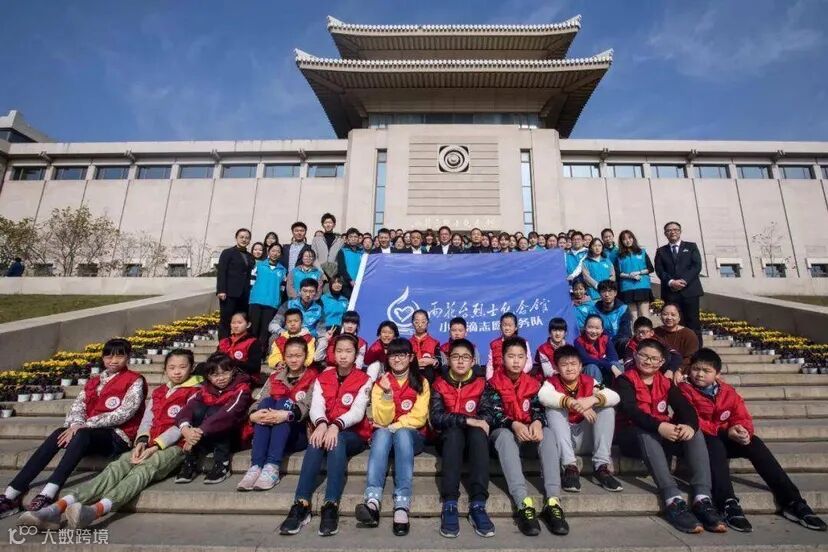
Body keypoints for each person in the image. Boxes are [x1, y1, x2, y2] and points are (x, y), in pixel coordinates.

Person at [18, 350, 202, 529]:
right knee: (117, 466)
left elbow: (182, 425)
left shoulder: (197, 392)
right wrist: (141, 442)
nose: (177, 372)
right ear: (165, 369)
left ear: (192, 367)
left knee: (144, 469)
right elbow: (147, 420)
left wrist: (155, 447)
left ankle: (96, 510)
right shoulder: (160, 391)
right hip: (148, 443)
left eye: (182, 367)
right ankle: (56, 508)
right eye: (172, 367)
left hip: (175, 447)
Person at [680, 348, 826, 532]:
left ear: (717, 374)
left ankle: (792, 501)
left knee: (754, 442)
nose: (700, 374)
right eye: (696, 369)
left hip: (726, 436)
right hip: (701, 440)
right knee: (714, 444)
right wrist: (723, 431)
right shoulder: (684, 390)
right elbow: (691, 419)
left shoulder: (728, 392)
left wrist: (742, 430)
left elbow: (741, 416)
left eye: (706, 370)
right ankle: (727, 502)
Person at [0, 338, 147, 517]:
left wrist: (84, 425)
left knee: (82, 434)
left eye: (119, 356)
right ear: (102, 358)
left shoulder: (134, 380)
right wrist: (76, 424)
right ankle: (12, 493)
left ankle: (49, 492)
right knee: (58, 433)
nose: (113, 360)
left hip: (117, 437)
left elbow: (125, 413)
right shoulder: (94, 381)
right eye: (108, 356)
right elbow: (78, 406)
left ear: (128, 357)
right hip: (87, 434)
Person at [615, 339, 725, 534]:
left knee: (693, 431)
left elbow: (686, 408)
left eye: (654, 358)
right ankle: (673, 499)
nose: (648, 361)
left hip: (661, 435)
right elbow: (632, 411)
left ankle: (702, 497)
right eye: (644, 356)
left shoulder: (665, 382)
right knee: (645, 430)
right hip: (633, 437)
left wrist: (690, 426)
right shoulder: (625, 380)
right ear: (635, 356)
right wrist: (659, 426)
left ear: (661, 362)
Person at [279, 334, 372, 537]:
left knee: (336, 440)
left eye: (348, 351)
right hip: (326, 428)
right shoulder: (323, 378)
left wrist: (336, 425)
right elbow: (316, 406)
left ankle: (331, 504)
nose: (343, 355)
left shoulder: (364, 379)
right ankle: (301, 504)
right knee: (315, 441)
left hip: (353, 434)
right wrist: (321, 424)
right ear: (333, 353)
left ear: (355, 354)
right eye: (339, 351)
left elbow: (357, 412)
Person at [485, 337, 567, 536]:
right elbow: (491, 413)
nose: (516, 361)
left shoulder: (534, 384)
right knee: (505, 436)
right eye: (511, 356)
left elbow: (538, 408)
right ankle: (523, 503)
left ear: (526, 359)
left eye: (520, 356)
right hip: (504, 437)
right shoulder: (492, 383)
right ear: (502, 358)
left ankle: (553, 501)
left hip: (528, 436)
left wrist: (537, 422)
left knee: (548, 433)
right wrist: (512, 423)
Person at [355, 339, 430, 536]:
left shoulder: (421, 382)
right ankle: (372, 501)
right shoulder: (381, 383)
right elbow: (381, 419)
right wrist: (387, 393)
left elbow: (419, 417)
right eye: (393, 355)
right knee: (380, 433)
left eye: (402, 355)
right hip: (386, 438)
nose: (397, 359)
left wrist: (394, 426)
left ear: (411, 357)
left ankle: (402, 504)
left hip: (412, 438)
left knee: (401, 433)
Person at [429, 339, 494, 538]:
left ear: (473, 361)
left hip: (474, 442)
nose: (460, 361)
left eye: (465, 357)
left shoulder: (481, 384)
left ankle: (478, 504)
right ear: (449, 360)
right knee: (455, 433)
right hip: (448, 441)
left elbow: (488, 414)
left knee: (478, 433)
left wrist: (474, 423)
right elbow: (436, 417)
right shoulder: (439, 384)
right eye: (455, 356)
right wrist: (466, 420)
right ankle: (450, 503)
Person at [540, 345, 622, 497]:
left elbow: (614, 396)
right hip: (563, 442)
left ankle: (601, 467)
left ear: (580, 366)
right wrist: (575, 404)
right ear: (556, 368)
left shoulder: (590, 381)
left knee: (607, 408)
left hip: (586, 439)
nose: (569, 368)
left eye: (573, 364)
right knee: (553, 409)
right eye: (564, 365)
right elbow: (544, 396)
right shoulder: (551, 383)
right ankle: (570, 467)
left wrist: (592, 400)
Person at [238, 337, 317, 492]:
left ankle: (272, 466)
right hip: (270, 427)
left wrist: (286, 415)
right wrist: (253, 414)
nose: (293, 360)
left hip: (297, 431)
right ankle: (256, 466)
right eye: (289, 356)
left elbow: (307, 405)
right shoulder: (275, 376)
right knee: (266, 403)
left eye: (298, 356)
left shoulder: (313, 377)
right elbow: (260, 398)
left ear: (306, 356)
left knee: (283, 403)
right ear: (284, 356)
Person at [174, 353, 252, 485]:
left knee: (216, 411)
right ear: (208, 376)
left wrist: (199, 431)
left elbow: (229, 414)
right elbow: (188, 408)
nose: (220, 378)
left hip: (234, 437)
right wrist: (185, 429)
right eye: (215, 375)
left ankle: (222, 463)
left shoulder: (242, 388)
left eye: (225, 373)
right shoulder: (205, 389)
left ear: (233, 371)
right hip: (205, 435)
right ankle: (191, 460)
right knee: (198, 409)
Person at [654, 221, 704, 346]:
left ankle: (697, 350)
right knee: (673, 324)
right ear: (665, 233)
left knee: (693, 322)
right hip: (671, 293)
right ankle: (677, 351)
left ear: (680, 231)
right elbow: (659, 270)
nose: (672, 232)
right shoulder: (661, 251)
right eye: (669, 230)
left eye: (675, 229)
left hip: (690, 291)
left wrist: (684, 281)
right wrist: (671, 282)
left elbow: (696, 266)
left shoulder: (691, 247)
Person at [248, 243, 287, 353]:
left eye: (278, 251)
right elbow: (251, 283)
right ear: (269, 252)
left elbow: (282, 288)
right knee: (253, 328)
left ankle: (261, 353)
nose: (275, 253)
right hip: (256, 301)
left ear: (281, 254)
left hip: (272, 303)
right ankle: (250, 351)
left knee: (265, 330)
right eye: (273, 251)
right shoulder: (259, 265)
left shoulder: (283, 270)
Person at [216, 228, 254, 339]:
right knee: (226, 321)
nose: (244, 240)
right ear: (236, 238)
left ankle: (238, 343)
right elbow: (222, 272)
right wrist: (221, 290)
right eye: (241, 237)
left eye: (247, 238)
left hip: (244, 295)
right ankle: (223, 345)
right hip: (229, 293)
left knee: (241, 321)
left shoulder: (250, 256)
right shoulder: (228, 253)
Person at [615, 229, 654, 320]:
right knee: (633, 317)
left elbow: (650, 268)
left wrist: (638, 272)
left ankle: (646, 330)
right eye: (624, 239)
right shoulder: (619, 256)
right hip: (627, 287)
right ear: (621, 241)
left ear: (633, 238)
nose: (627, 240)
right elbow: (618, 273)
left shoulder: (642, 252)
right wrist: (630, 276)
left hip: (642, 286)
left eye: (629, 237)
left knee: (644, 315)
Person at [573, 315, 622, 384]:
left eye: (597, 328)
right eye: (590, 327)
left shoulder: (605, 339)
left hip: (604, 368)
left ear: (602, 330)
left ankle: (619, 387)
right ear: (584, 328)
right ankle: (596, 389)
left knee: (616, 364)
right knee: (592, 367)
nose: (593, 331)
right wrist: (610, 366)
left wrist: (611, 365)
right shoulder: (578, 341)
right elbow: (586, 359)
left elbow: (613, 357)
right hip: (589, 370)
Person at [216, 312, 262, 384]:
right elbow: (215, 359)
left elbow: (254, 366)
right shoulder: (224, 341)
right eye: (233, 323)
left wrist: (232, 363)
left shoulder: (253, 342)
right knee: (202, 367)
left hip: (244, 375)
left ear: (248, 325)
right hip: (224, 373)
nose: (236, 326)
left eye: (239, 323)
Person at [654, 303, 700, 375]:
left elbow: (691, 357)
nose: (669, 317)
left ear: (679, 317)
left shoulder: (689, 334)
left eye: (673, 315)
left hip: (682, 372)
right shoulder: (655, 332)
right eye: (665, 314)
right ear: (661, 316)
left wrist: (679, 370)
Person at [486, 312, 532, 379]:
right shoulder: (494, 344)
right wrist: (490, 380)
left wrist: (515, 375)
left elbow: (529, 364)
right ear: (500, 327)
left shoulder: (523, 342)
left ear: (516, 327)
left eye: (510, 325)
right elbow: (490, 366)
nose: (507, 328)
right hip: (499, 380)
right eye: (504, 325)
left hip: (519, 379)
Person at [593, 279, 632, 352]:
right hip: (601, 343)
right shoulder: (594, 309)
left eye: (610, 291)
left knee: (625, 341)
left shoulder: (623, 309)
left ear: (615, 293)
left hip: (618, 343)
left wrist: (611, 345)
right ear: (599, 293)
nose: (607, 295)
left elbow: (625, 332)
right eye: (603, 291)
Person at [312, 213, 344, 279]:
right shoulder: (316, 240)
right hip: (319, 272)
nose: (328, 225)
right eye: (326, 223)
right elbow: (314, 257)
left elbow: (340, 259)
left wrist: (335, 271)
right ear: (322, 225)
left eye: (330, 222)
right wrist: (321, 272)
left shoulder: (340, 241)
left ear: (334, 224)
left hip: (334, 273)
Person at [410, 309, 441, 374]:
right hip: (411, 375)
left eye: (423, 322)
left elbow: (439, 363)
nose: (420, 325)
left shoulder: (434, 343)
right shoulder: (408, 343)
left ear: (428, 323)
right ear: (412, 323)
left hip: (430, 375)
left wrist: (433, 361)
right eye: (416, 322)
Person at [335, 228, 364, 297]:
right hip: (346, 285)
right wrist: (350, 280)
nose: (353, 239)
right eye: (351, 237)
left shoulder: (362, 252)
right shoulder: (342, 251)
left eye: (355, 237)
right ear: (347, 239)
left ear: (358, 239)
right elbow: (342, 269)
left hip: (360, 284)